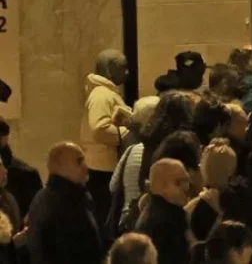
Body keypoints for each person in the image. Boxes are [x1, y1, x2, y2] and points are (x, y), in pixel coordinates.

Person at [28, 142, 105, 264]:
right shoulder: (63, 204)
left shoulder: (48, 198)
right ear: (60, 166)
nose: (86, 166)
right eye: (79, 161)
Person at [83, 49, 133, 231]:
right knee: (105, 219)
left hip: (104, 167)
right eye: (123, 68)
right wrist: (129, 133)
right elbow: (99, 129)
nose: (127, 73)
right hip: (103, 169)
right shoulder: (102, 95)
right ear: (110, 69)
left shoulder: (104, 93)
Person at [134, 159, 191, 264]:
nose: (187, 187)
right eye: (179, 182)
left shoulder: (153, 213)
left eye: (187, 181)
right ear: (161, 186)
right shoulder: (165, 223)